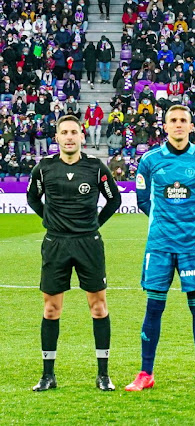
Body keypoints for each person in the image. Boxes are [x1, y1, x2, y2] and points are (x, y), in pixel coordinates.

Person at [125, 105, 195, 391]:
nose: (178, 125)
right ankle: (146, 373)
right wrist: (164, 223)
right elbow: (143, 200)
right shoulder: (149, 160)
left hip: (193, 244)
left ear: (191, 125)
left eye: (183, 120)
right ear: (164, 126)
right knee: (154, 306)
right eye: (173, 120)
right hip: (159, 245)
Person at [26, 115, 122, 391]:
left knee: (98, 307)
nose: (69, 137)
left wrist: (94, 224)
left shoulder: (95, 168)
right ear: (56, 138)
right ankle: (47, 375)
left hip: (88, 244)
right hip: (56, 244)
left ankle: (103, 375)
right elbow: (32, 197)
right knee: (51, 309)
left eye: (73, 132)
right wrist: (49, 220)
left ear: (82, 136)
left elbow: (113, 199)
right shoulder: (44, 168)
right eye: (64, 132)